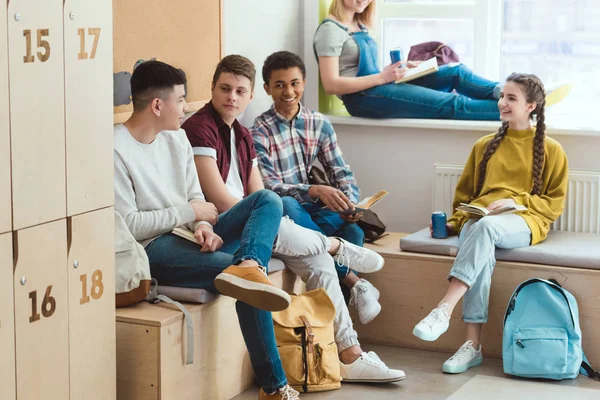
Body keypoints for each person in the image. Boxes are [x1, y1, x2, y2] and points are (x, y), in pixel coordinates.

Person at [182, 54, 406, 385]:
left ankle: (350, 353)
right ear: (212, 89)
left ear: (250, 94)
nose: (232, 97)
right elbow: (220, 199)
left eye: (240, 92)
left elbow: (260, 195)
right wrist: (263, 211)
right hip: (219, 225)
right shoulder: (200, 128)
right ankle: (336, 246)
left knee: (318, 261)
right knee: (279, 204)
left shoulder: (242, 134)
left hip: (253, 221)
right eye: (225, 89)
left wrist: (265, 213)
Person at [113, 60, 300, 399]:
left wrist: (202, 224)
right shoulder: (115, 149)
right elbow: (129, 226)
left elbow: (195, 198)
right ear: (158, 105)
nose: (186, 107)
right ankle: (274, 387)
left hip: (187, 235)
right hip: (151, 249)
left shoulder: (177, 139)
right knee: (246, 286)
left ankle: (249, 264)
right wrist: (190, 213)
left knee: (268, 200)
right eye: (181, 99)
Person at [412, 73, 568, 374]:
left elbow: (553, 203)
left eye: (512, 98)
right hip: (482, 219)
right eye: (502, 96)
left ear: (531, 106)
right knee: (479, 237)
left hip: (525, 220)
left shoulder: (552, 149)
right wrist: (455, 223)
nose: (502, 103)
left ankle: (444, 309)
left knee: (483, 231)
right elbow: (465, 196)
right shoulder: (484, 145)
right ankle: (472, 347)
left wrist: (517, 203)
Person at [251, 51, 383, 325]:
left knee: (352, 228)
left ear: (304, 82)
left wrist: (351, 203)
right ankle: (355, 281)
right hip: (286, 213)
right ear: (267, 88)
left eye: (294, 83)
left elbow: (341, 172)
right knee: (286, 205)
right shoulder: (259, 131)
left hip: (312, 213)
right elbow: (270, 186)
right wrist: (312, 190)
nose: (288, 91)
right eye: (279, 85)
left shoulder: (318, 123)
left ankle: (334, 316)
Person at [314, 0, 567, 120]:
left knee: (455, 72)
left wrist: (400, 70)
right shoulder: (330, 30)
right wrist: (383, 77)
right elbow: (332, 84)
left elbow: (362, 71)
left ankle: (507, 93)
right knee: (452, 104)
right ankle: (520, 109)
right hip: (363, 100)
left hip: (378, 87)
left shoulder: (359, 24)